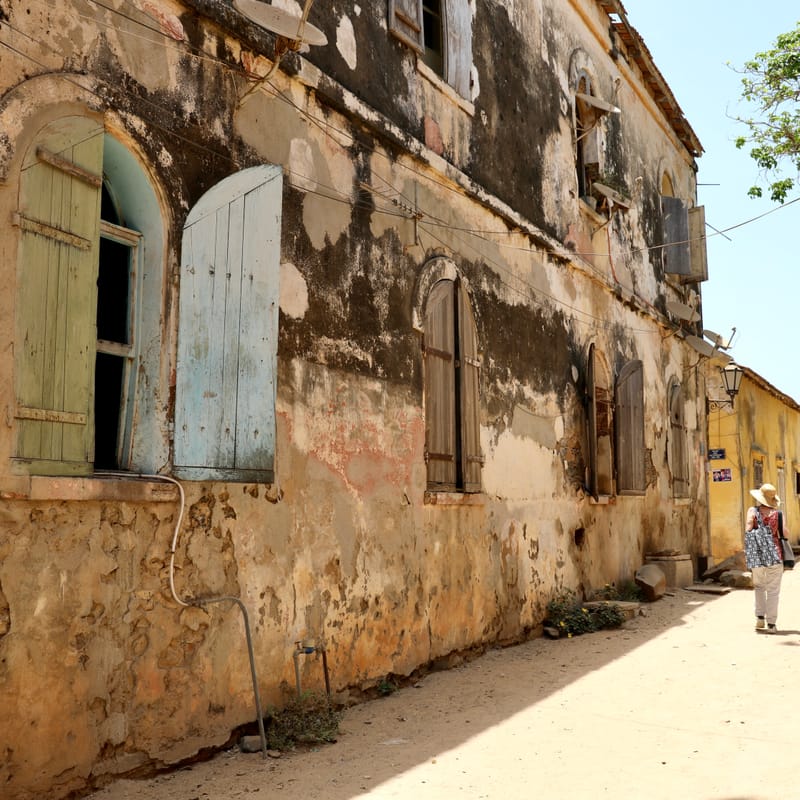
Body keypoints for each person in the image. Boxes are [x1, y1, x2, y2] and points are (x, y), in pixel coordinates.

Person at [745, 483, 787, 634]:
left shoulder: (752, 511)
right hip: (775, 555)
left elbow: (748, 529)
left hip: (757, 555)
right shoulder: (778, 514)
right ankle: (771, 624)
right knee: (773, 590)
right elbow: (785, 534)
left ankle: (760, 617)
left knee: (759, 587)